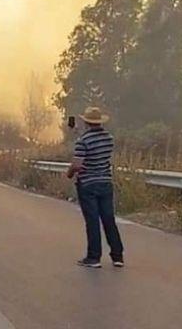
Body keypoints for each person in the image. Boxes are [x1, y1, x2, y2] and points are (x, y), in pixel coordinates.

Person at [67, 107, 124, 269]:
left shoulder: (82, 140)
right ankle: (117, 255)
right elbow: (98, 152)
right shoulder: (109, 139)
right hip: (105, 182)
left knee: (92, 221)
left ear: (86, 121)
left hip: (88, 184)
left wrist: (69, 173)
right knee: (108, 219)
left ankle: (94, 257)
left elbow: (77, 164)